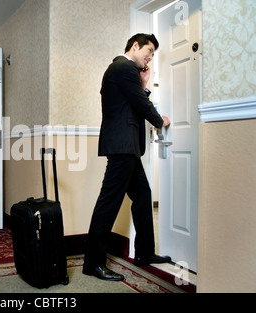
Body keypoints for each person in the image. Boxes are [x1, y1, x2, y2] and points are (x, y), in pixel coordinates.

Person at [82, 33, 171, 281]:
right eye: (149, 50)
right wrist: (159, 121)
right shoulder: (123, 67)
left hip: (126, 147)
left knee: (142, 196)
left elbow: (131, 101)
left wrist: (142, 85)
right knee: (108, 203)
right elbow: (141, 106)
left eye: (153, 54)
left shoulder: (121, 70)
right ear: (135, 46)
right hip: (122, 147)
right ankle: (93, 263)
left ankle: (144, 254)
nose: (150, 57)